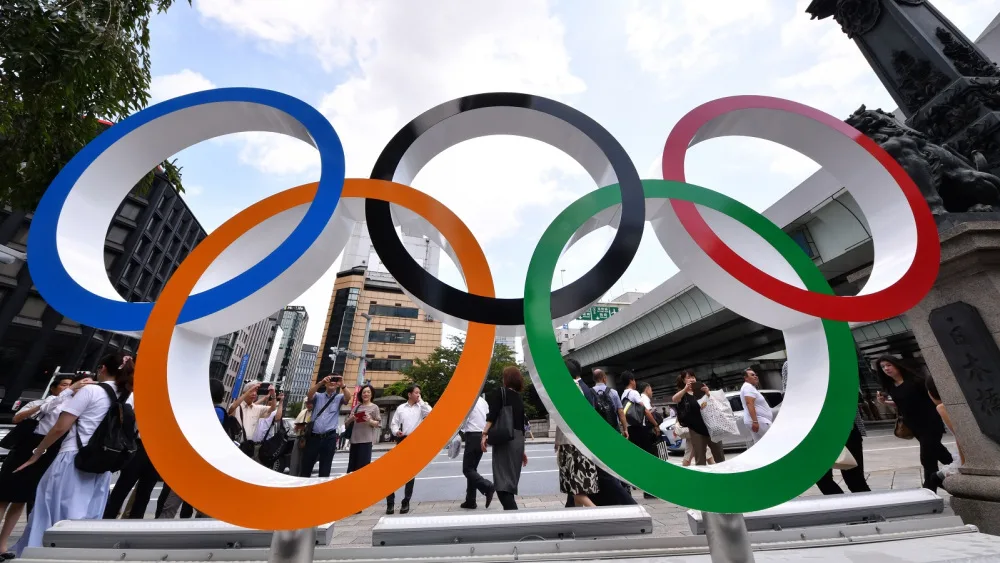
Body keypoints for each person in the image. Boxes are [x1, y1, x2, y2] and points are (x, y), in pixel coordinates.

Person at [13, 353, 134, 556]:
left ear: (102, 368)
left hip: (73, 457)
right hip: (102, 461)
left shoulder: (91, 391)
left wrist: (38, 452)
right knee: (89, 512)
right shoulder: (129, 395)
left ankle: (41, 553)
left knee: (52, 508)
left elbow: (60, 427)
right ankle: (80, 554)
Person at [0, 374, 76, 556]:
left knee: (20, 500)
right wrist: (58, 399)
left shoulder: (71, 407)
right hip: (24, 451)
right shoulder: (44, 403)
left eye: (71, 386)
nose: (68, 388)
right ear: (54, 388)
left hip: (46, 452)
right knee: (3, 497)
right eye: (64, 385)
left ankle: (2, 545)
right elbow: (16, 419)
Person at [876, 355, 953, 491]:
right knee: (942, 455)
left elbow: (933, 398)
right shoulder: (891, 386)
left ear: (896, 365)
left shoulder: (916, 381)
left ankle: (929, 490)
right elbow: (902, 403)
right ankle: (959, 474)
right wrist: (885, 402)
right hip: (914, 426)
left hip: (930, 423)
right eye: (883, 367)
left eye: (889, 365)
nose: (886, 369)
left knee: (927, 459)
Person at [481, 367, 528, 511]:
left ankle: (516, 520)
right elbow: (522, 425)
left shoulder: (500, 393)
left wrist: (484, 434)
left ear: (506, 379)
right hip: (517, 441)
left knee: (502, 486)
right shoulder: (519, 398)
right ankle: (514, 519)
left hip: (504, 440)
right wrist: (522, 451)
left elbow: (492, 415)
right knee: (509, 485)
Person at [556, 359, 598, 508]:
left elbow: (565, 417)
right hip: (582, 442)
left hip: (573, 444)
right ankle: (575, 518)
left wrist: (558, 441)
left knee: (576, 489)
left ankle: (597, 514)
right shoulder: (582, 387)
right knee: (576, 488)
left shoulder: (570, 388)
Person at [386, 385, 432, 515]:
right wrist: (396, 431)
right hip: (402, 440)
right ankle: (390, 503)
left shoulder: (421, 408)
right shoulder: (401, 408)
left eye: (419, 393)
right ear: (409, 394)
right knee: (393, 473)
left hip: (415, 442)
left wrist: (421, 401)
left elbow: (431, 413)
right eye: (416, 393)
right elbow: (394, 423)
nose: (418, 395)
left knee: (410, 474)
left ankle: (406, 502)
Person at [300, 374, 351, 478]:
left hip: (329, 437)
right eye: (330, 380)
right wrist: (321, 382)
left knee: (325, 467)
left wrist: (343, 385)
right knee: (306, 465)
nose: (332, 382)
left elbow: (348, 398)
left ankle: (321, 492)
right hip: (314, 437)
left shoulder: (338, 397)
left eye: (335, 380)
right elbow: (309, 395)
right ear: (326, 383)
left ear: (337, 385)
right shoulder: (318, 396)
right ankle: (303, 489)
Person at [672, 370, 725, 466]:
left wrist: (708, 393)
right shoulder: (684, 394)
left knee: (719, 455)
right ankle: (704, 479)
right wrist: (685, 389)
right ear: (684, 380)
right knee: (700, 458)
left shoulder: (702, 390)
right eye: (688, 377)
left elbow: (717, 405)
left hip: (712, 426)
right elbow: (674, 399)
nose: (691, 379)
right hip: (696, 430)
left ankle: (725, 476)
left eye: (693, 377)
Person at [815, 404, 870, 495]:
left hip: (845, 430)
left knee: (855, 481)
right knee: (821, 478)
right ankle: (842, 505)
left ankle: (869, 507)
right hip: (818, 435)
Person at [460, 394, 494, 510]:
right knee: (472, 469)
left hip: (472, 435)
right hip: (482, 435)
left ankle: (487, 486)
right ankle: (470, 501)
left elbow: (464, 419)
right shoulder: (483, 401)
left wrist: (459, 430)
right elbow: (487, 417)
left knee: (467, 469)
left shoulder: (468, 400)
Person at [347, 385, 381, 473]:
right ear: (361, 394)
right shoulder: (356, 407)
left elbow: (378, 424)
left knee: (363, 469)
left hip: (366, 442)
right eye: (364, 392)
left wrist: (369, 420)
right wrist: (352, 419)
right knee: (352, 470)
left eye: (368, 392)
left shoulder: (374, 407)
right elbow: (346, 424)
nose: (366, 394)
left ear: (372, 394)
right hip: (354, 441)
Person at [740, 366, 773, 443]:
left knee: (761, 444)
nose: (755, 376)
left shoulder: (748, 387)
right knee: (774, 439)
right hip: (759, 420)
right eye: (752, 375)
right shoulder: (748, 387)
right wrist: (755, 421)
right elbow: (749, 403)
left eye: (755, 375)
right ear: (746, 378)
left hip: (756, 421)